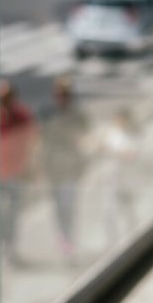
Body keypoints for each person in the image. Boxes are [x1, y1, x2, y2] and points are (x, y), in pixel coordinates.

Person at [0, 79, 36, 264]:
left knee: (13, 212)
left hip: (14, 171)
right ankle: (1, 236)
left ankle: (10, 246)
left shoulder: (22, 115)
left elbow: (32, 140)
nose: (2, 102)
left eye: (6, 98)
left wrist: (30, 166)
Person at [38, 76, 90, 258]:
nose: (62, 98)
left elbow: (84, 139)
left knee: (69, 203)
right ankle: (64, 236)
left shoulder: (77, 115)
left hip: (70, 166)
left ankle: (68, 237)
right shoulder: (47, 113)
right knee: (58, 205)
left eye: (65, 95)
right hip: (54, 166)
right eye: (59, 94)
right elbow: (41, 140)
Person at [94, 108, 139, 244]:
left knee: (127, 209)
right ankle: (112, 241)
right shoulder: (111, 134)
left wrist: (113, 151)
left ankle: (131, 237)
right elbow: (98, 147)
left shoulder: (132, 135)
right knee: (109, 210)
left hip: (125, 178)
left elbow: (130, 155)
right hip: (111, 178)